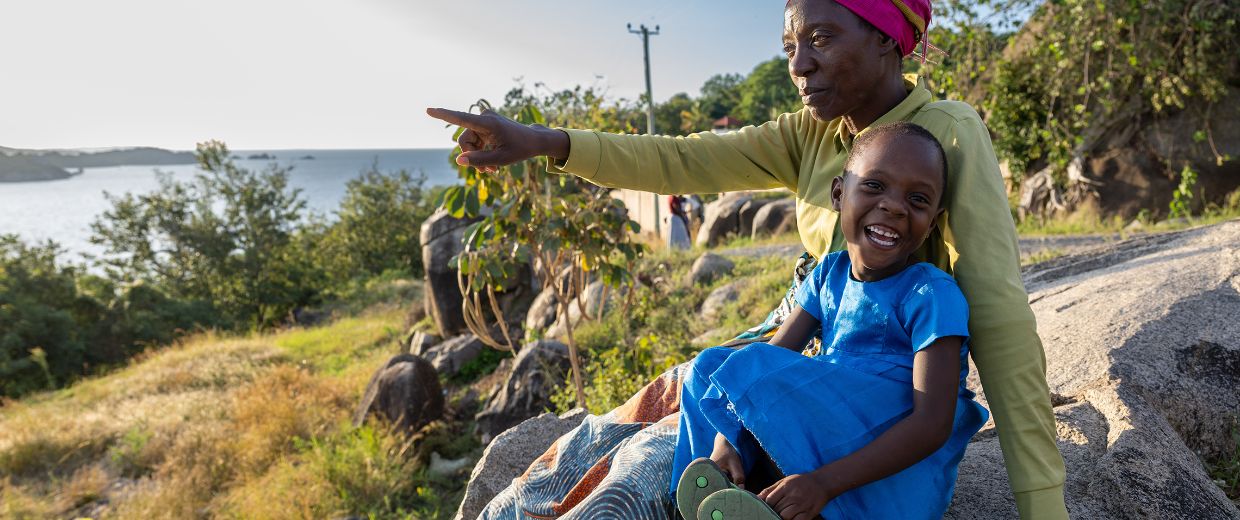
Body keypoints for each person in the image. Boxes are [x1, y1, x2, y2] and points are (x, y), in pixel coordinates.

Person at [426, 0, 1068, 517]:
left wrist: (1042, 501)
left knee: (635, 482)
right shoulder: (812, 132)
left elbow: (996, 309)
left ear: (885, 37)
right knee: (622, 424)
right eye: (791, 46)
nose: (801, 65)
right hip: (800, 344)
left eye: (821, 37)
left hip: (869, 394)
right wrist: (543, 141)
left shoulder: (946, 132)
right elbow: (682, 158)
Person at [673, 122, 986, 520]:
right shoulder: (829, 274)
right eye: (874, 186)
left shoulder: (930, 293)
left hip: (884, 473)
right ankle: (715, 492)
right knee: (708, 367)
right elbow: (771, 357)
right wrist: (726, 440)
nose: (893, 206)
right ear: (839, 194)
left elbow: (932, 425)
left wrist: (823, 483)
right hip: (831, 429)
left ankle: (766, 498)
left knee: (747, 365)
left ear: (933, 219)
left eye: (918, 199)